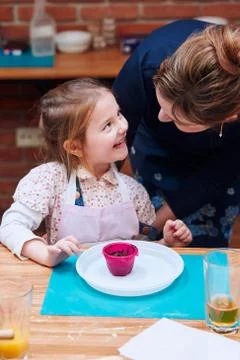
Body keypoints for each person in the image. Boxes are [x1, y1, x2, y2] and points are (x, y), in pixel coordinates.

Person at [0, 78, 192, 267]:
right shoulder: (49, 180)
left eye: (119, 114)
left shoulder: (134, 191)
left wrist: (166, 244)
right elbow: (10, 227)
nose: (123, 126)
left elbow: (140, 251)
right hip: (68, 287)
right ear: (74, 146)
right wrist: (45, 254)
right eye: (107, 125)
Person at [113, 19, 240, 248]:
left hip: (221, 169)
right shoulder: (148, 61)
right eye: (160, 103)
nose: (160, 117)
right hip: (155, 152)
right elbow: (113, 137)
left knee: (205, 248)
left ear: (228, 117)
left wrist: (152, 226)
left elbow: (218, 174)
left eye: (175, 117)